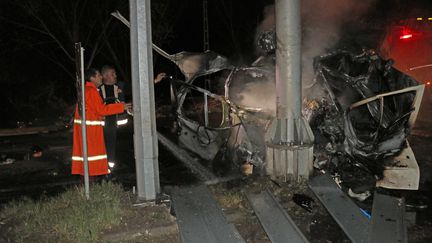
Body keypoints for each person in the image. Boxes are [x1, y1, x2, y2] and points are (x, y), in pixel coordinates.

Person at [71, 68, 130, 180]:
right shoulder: (91, 91)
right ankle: (93, 182)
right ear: (92, 78)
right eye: (98, 75)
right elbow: (101, 110)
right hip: (91, 131)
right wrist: (122, 106)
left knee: (88, 157)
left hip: (89, 129)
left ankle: (91, 181)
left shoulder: (87, 90)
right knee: (93, 157)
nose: (101, 77)